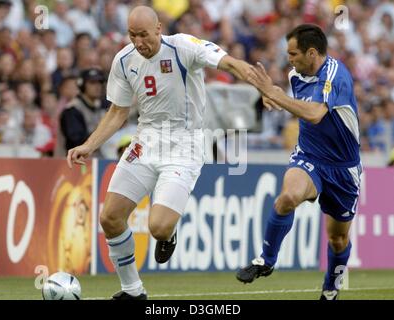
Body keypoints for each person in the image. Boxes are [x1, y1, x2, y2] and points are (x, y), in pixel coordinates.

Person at [67, 5, 255, 300]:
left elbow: (230, 63)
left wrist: (264, 87)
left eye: (144, 35)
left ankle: (169, 233)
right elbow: (118, 111)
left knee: (158, 227)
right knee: (110, 218)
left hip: (185, 145)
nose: (139, 42)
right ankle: (132, 290)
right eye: (132, 35)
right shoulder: (124, 60)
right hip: (145, 141)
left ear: (158, 29)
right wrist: (88, 145)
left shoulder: (183, 47)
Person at [236, 24, 362, 300]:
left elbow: (316, 113)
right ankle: (266, 260)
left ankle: (331, 289)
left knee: (338, 239)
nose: (289, 59)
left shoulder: (335, 74)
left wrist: (278, 96)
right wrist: (271, 95)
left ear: (312, 53)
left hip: (344, 168)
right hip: (310, 156)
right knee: (287, 197)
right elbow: (296, 102)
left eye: (293, 54)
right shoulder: (297, 75)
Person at [56, 68, 107, 157]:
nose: (97, 86)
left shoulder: (102, 106)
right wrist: (104, 128)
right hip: (75, 161)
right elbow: (76, 141)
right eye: (92, 82)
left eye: (100, 82)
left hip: (98, 159)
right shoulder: (72, 110)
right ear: (82, 85)